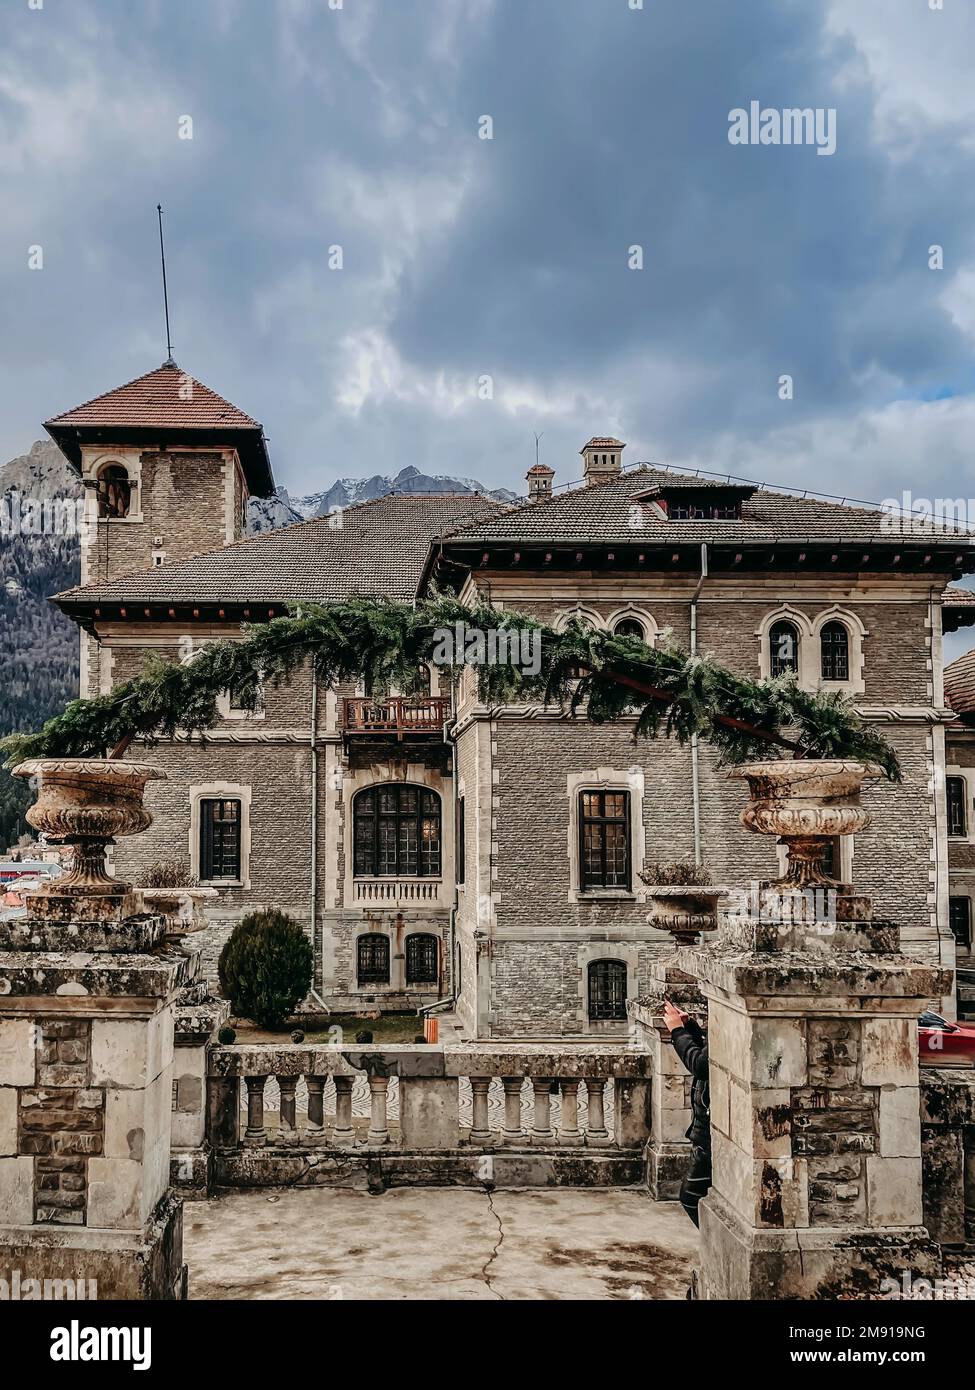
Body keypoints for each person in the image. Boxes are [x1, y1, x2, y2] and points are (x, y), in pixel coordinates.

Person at [662, 998, 712, 1228]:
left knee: (691, 1196)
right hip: (708, 1129)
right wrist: (690, 1026)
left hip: (710, 1132)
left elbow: (701, 1065)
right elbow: (709, 1052)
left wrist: (677, 1031)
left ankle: (716, 1252)